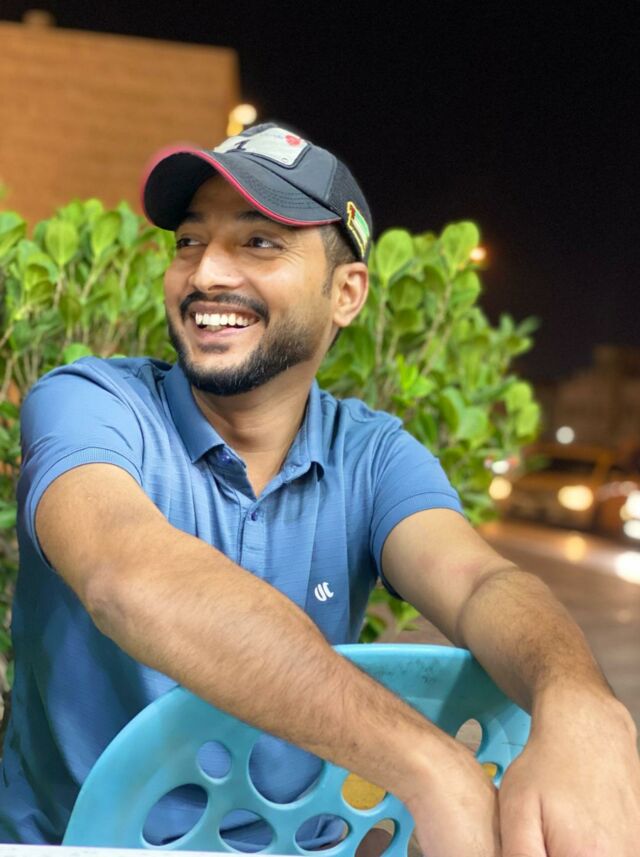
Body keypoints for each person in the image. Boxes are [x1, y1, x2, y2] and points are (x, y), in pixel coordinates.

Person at [1, 122, 638, 856]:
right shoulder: (90, 402)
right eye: (189, 241)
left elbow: (479, 582)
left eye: (258, 242)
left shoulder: (372, 455)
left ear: (346, 292)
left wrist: (578, 698)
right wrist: (429, 764)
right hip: (78, 845)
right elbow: (126, 572)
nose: (205, 273)